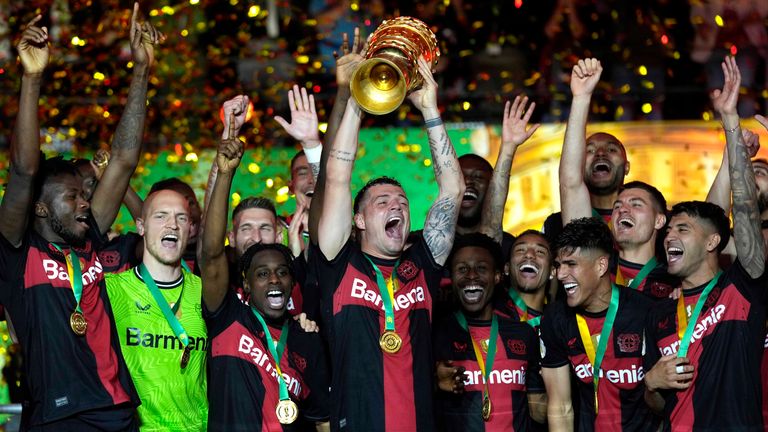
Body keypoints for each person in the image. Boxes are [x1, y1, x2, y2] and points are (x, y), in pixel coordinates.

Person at [0, 5, 159, 429]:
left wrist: (141, 71)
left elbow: (123, 161)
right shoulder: (18, 252)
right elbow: (22, 171)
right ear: (39, 208)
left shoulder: (89, 239)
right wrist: (31, 78)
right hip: (59, 417)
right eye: (71, 197)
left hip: (118, 411)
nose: (85, 203)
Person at [313, 56, 464, 431]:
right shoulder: (338, 263)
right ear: (359, 220)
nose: (396, 205)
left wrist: (430, 108)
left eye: (401, 202)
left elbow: (454, 189)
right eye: (382, 203)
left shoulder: (422, 268)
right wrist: (354, 100)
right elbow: (336, 177)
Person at [644, 56, 766, 431]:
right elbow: (652, 402)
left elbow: (741, 213)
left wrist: (731, 120)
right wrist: (651, 382)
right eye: (669, 230)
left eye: (682, 229)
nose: (669, 236)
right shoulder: (660, 311)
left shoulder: (741, 287)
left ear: (715, 241)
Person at [200, 125, 330, 431]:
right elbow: (211, 254)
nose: (274, 280)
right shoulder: (227, 315)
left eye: (282, 273)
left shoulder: (305, 336)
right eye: (261, 274)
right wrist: (224, 173)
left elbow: (321, 418)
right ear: (245, 283)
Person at [540, 218, 658, 431]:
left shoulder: (646, 313)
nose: (560, 274)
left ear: (601, 266)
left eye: (571, 264)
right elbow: (560, 407)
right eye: (558, 265)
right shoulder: (555, 317)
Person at [105, 189, 207, 430]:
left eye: (181, 218)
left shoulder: (205, 292)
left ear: (190, 229)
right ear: (141, 227)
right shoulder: (111, 289)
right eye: (161, 216)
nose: (172, 225)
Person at [433, 233, 546, 431]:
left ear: (497, 276)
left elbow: (538, 410)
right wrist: (433, 383)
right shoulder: (435, 333)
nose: (471, 275)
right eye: (462, 269)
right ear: (451, 277)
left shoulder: (523, 334)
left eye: (481, 268)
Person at [544, 58, 629, 243]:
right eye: (589, 151)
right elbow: (570, 183)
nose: (600, 153)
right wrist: (581, 97)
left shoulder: (648, 216)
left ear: (627, 167)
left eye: (611, 149)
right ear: (579, 165)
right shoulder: (556, 223)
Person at [496, 229, 554, 331]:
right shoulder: (490, 314)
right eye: (520, 250)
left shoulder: (559, 325)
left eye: (540, 251)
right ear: (506, 268)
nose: (529, 255)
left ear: (552, 271)